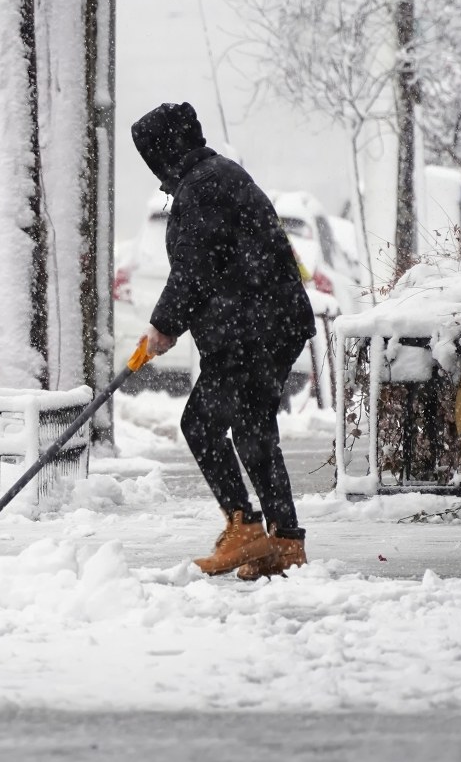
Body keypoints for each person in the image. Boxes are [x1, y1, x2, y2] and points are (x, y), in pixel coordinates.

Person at [131, 101, 316, 579]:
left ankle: (245, 527)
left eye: (151, 154)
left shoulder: (204, 185)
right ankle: (284, 541)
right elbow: (208, 266)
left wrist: (164, 325)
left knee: (201, 425)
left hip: (252, 329)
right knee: (253, 429)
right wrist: (171, 323)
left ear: (164, 150)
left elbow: (195, 269)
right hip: (262, 324)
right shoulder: (211, 177)